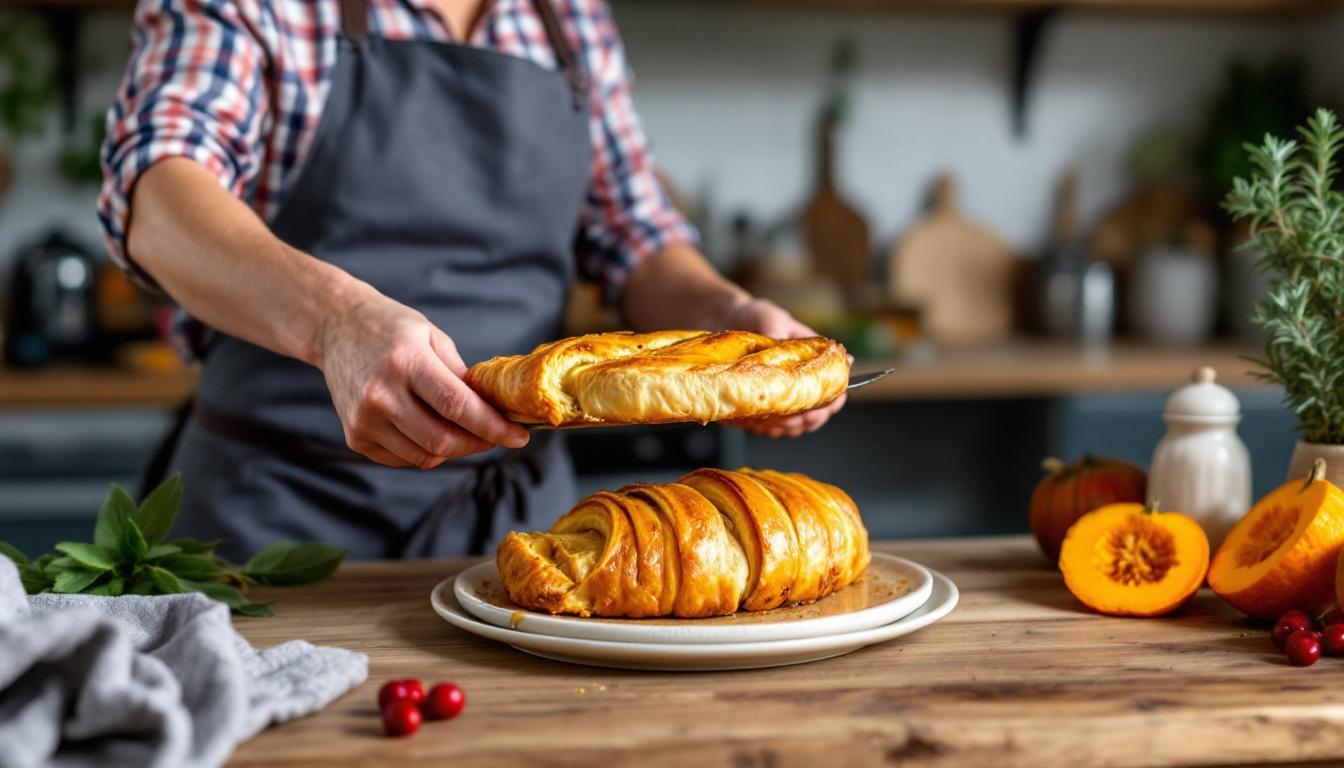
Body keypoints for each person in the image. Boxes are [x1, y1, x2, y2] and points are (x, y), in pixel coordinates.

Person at [98, 0, 846, 561]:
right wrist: (337, 323)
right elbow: (160, 197)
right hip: (270, 527)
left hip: (514, 533)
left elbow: (634, 234)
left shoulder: (567, 16)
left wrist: (733, 316)